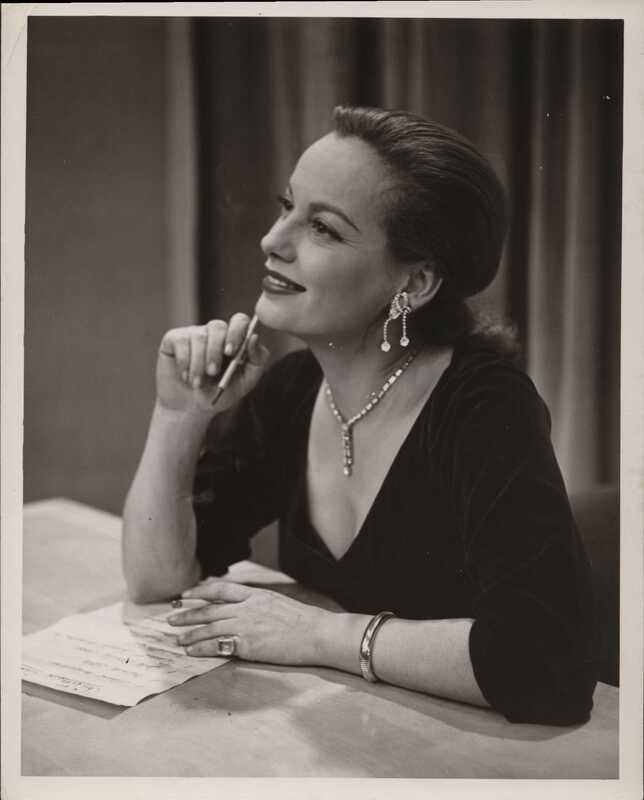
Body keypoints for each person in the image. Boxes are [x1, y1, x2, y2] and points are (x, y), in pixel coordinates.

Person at [122, 106, 599, 726]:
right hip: (347, 736)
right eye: (285, 206)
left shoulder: (484, 405)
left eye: (323, 229)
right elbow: (157, 581)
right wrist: (178, 414)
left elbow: (546, 665)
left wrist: (319, 636)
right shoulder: (293, 391)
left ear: (417, 282)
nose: (273, 240)